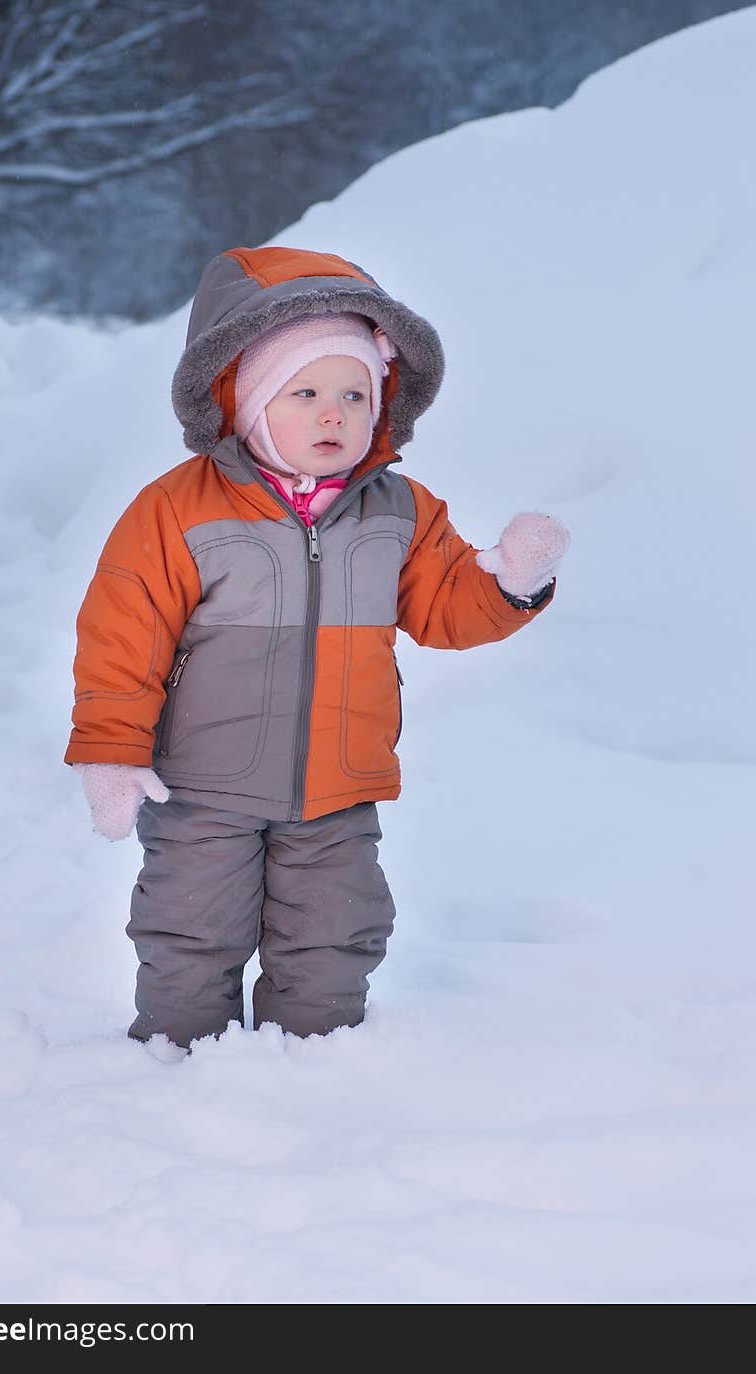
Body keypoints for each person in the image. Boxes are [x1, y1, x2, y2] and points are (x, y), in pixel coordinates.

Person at [65, 244, 569, 1050]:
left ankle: (314, 1078)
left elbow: (445, 607)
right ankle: (171, 1071)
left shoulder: (399, 511)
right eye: (305, 393)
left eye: (353, 393)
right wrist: (110, 750)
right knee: (190, 936)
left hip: (338, 790)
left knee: (336, 939)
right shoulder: (175, 511)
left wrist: (510, 580)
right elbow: (122, 636)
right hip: (202, 790)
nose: (333, 413)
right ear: (246, 401)